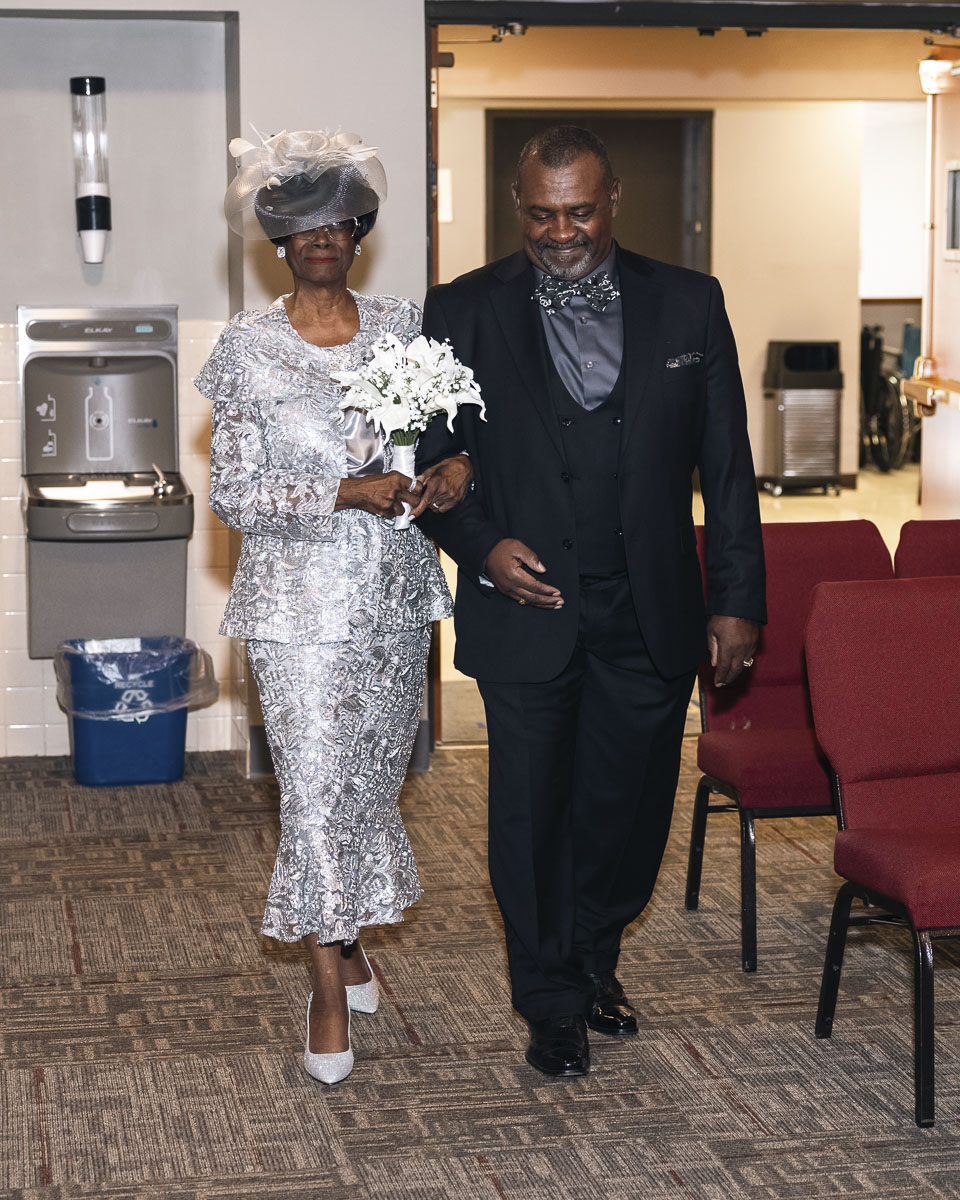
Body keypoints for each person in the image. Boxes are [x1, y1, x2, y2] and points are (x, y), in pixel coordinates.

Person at [417, 126, 765, 1078]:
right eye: (541, 214)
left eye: (577, 212)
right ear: (517, 206)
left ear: (613, 199)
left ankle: (593, 955)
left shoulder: (690, 303)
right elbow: (432, 460)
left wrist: (737, 598)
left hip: (650, 606)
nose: (560, 233)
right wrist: (481, 545)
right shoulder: (459, 309)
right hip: (524, 608)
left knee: (628, 808)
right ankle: (552, 1001)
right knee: (531, 813)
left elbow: (728, 464)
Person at [197, 129, 472, 1085]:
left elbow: (441, 437)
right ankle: (323, 985)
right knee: (313, 793)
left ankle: (346, 936)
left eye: (338, 222)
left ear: (359, 232)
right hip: (295, 609)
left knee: (369, 785)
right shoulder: (248, 346)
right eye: (302, 225)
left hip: (394, 598)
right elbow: (233, 495)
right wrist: (343, 493)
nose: (322, 238)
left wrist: (448, 470)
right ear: (279, 241)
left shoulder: (403, 327)